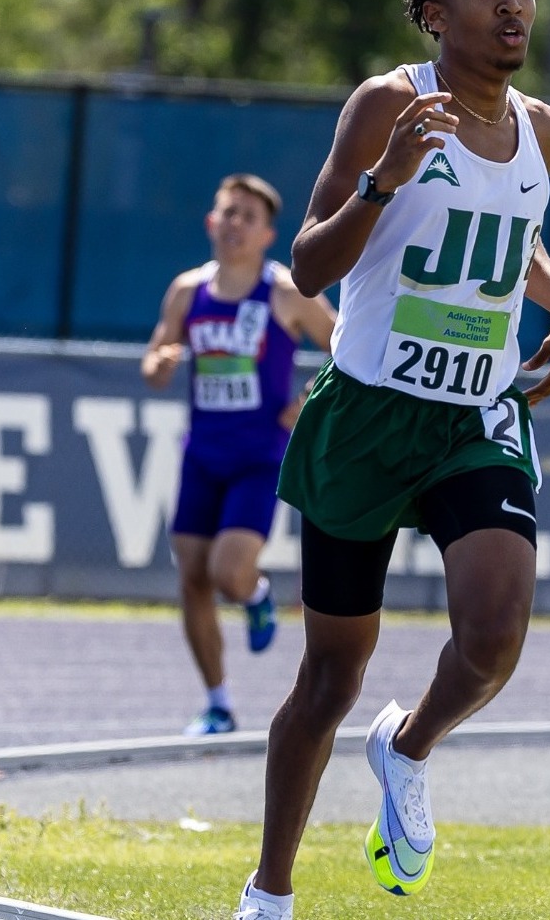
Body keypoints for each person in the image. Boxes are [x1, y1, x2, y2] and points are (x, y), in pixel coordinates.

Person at [232, 0, 550, 919]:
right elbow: (307, 265)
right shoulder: (388, 105)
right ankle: (268, 891)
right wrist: (381, 178)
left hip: (475, 414)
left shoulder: (544, 132)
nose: (512, 4)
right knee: (326, 677)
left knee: (492, 636)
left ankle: (407, 745)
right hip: (366, 416)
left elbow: (509, 239)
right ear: (436, 16)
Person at [141, 174, 336, 737]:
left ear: (267, 234)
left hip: (259, 455)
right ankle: (218, 702)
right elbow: (155, 361)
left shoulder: (287, 293)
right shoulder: (187, 292)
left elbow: (349, 348)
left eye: (248, 217)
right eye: (228, 213)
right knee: (192, 580)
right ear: (210, 221)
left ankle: (254, 594)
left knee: (227, 572)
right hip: (202, 453)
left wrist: (305, 401)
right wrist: (161, 364)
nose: (235, 225)